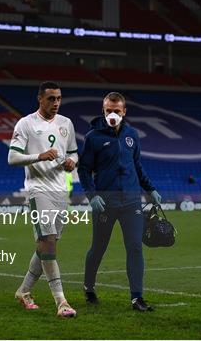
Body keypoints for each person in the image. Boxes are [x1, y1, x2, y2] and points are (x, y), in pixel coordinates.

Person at [78, 92, 162, 312]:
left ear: (124, 112)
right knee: (98, 248)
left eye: (117, 111)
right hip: (105, 202)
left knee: (135, 247)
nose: (112, 114)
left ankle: (137, 298)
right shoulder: (93, 137)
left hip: (131, 201)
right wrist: (92, 195)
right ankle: (88, 287)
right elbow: (84, 169)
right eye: (108, 111)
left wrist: (150, 188)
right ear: (103, 111)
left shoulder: (132, 135)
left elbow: (137, 166)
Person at [7, 81, 78, 318]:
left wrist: (72, 162)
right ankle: (62, 301)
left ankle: (24, 291)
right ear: (40, 99)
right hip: (39, 191)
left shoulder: (66, 123)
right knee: (48, 241)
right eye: (51, 99)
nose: (56, 103)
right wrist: (40, 156)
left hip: (60, 192)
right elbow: (12, 158)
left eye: (58, 98)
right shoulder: (26, 123)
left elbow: (73, 152)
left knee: (48, 244)